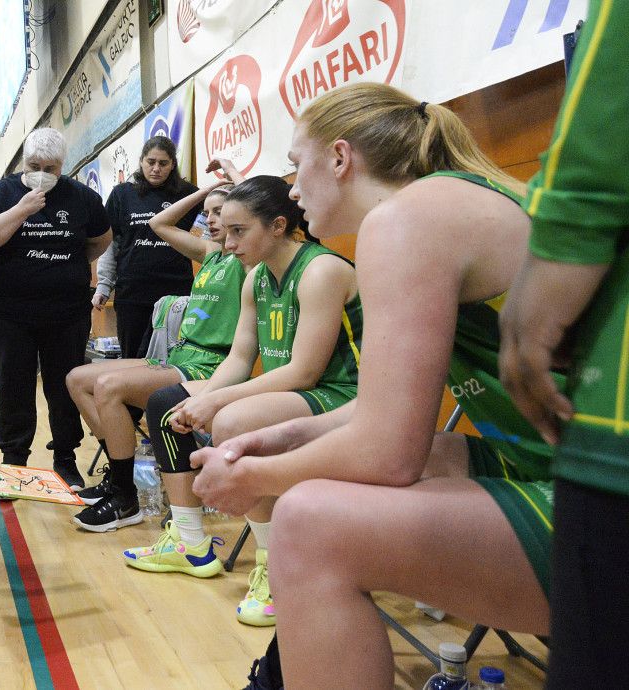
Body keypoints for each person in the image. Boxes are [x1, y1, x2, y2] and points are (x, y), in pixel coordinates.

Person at [193, 83, 553, 689]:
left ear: (339, 158)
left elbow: (387, 453)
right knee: (422, 457)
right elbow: (385, 413)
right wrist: (285, 437)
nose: (293, 186)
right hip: (548, 456)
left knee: (311, 523)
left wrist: (252, 477)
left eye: (294, 165)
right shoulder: (450, 201)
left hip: (594, 489)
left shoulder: (406, 221)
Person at [127, 177, 361, 605]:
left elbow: (304, 372)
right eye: (226, 231)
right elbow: (238, 358)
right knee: (169, 404)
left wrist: (216, 401)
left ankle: (277, 568)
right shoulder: (256, 279)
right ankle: (190, 539)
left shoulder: (321, 270)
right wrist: (201, 398)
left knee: (233, 420)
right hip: (299, 391)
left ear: (277, 226)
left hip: (344, 395)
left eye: (239, 231)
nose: (228, 242)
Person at [499, 2, 629, 685]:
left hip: (607, 421)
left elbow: (602, 138)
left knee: (317, 523)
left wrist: (561, 243)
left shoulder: (407, 224)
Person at [66, 178, 246, 532]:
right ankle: (120, 475)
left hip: (208, 365)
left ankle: (124, 497)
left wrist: (236, 191)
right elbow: (158, 224)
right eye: (206, 213)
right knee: (77, 378)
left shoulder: (246, 261)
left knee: (109, 387)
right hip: (180, 356)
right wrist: (205, 192)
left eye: (219, 213)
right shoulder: (210, 254)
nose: (209, 219)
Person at [0, 128, 112, 487]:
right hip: (9, 314)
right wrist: (21, 210)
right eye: (35, 165)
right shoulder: (2, 193)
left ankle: (65, 457)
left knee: (65, 388)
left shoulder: (81, 196)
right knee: (13, 388)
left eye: (51, 168)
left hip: (66, 314)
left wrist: (66, 267)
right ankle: (14, 459)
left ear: (63, 166)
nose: (43, 173)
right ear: (23, 161)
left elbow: (99, 241)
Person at [93, 136, 200, 358]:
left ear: (172, 164)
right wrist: (104, 285)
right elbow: (110, 244)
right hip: (133, 292)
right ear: (141, 161)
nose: (156, 169)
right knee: (132, 358)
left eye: (163, 163)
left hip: (176, 292)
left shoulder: (189, 194)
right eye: (151, 162)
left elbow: (206, 236)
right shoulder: (122, 194)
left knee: (173, 358)